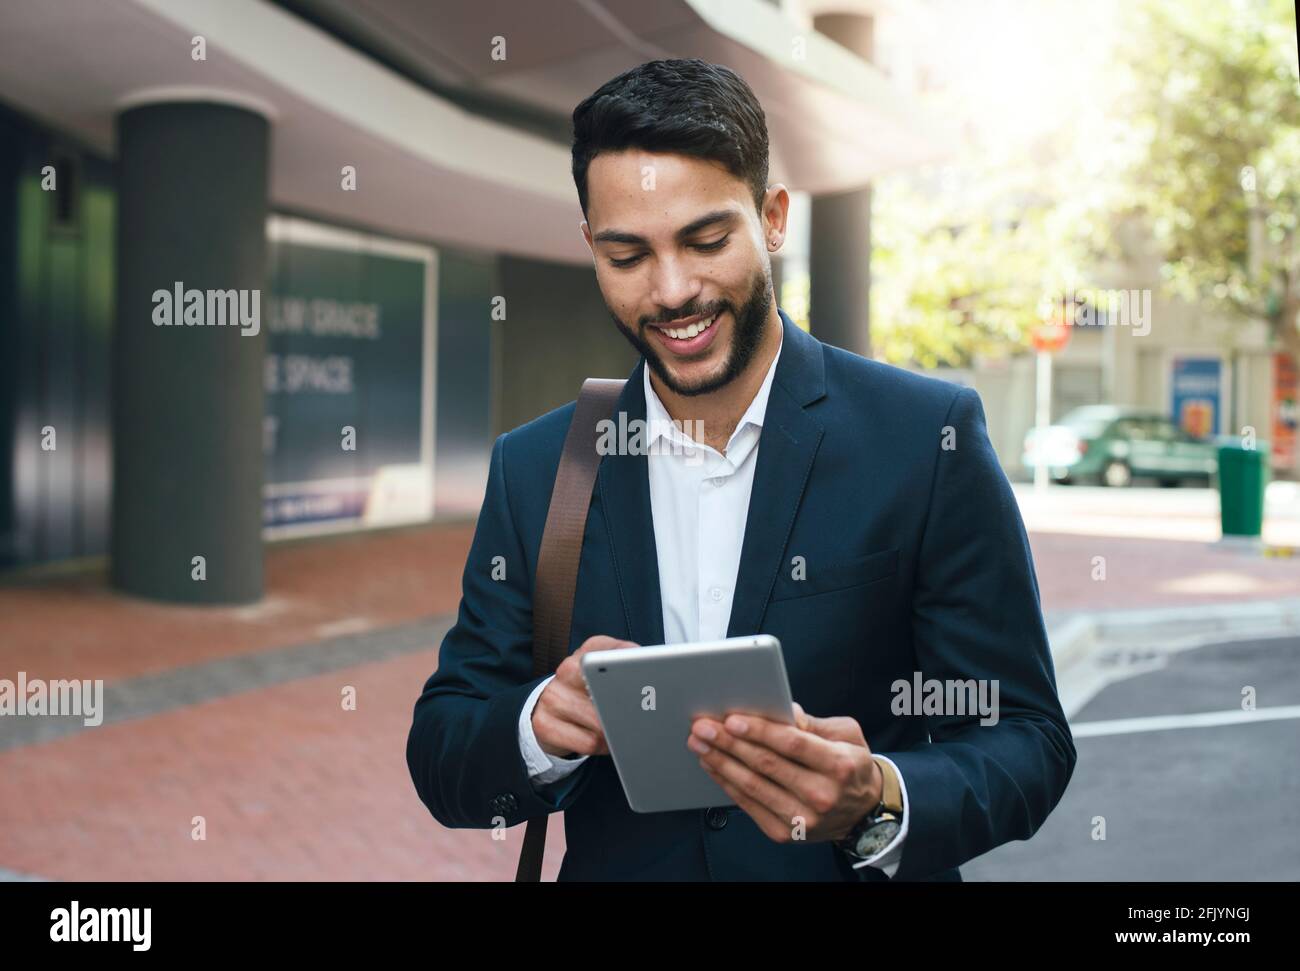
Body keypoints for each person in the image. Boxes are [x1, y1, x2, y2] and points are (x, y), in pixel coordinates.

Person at [407, 58, 1076, 881]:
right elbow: (443, 751)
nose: (673, 289)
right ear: (589, 247)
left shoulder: (926, 438)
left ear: (773, 217)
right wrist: (540, 721)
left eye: (706, 240)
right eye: (627, 256)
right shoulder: (540, 466)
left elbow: (1026, 738)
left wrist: (878, 797)